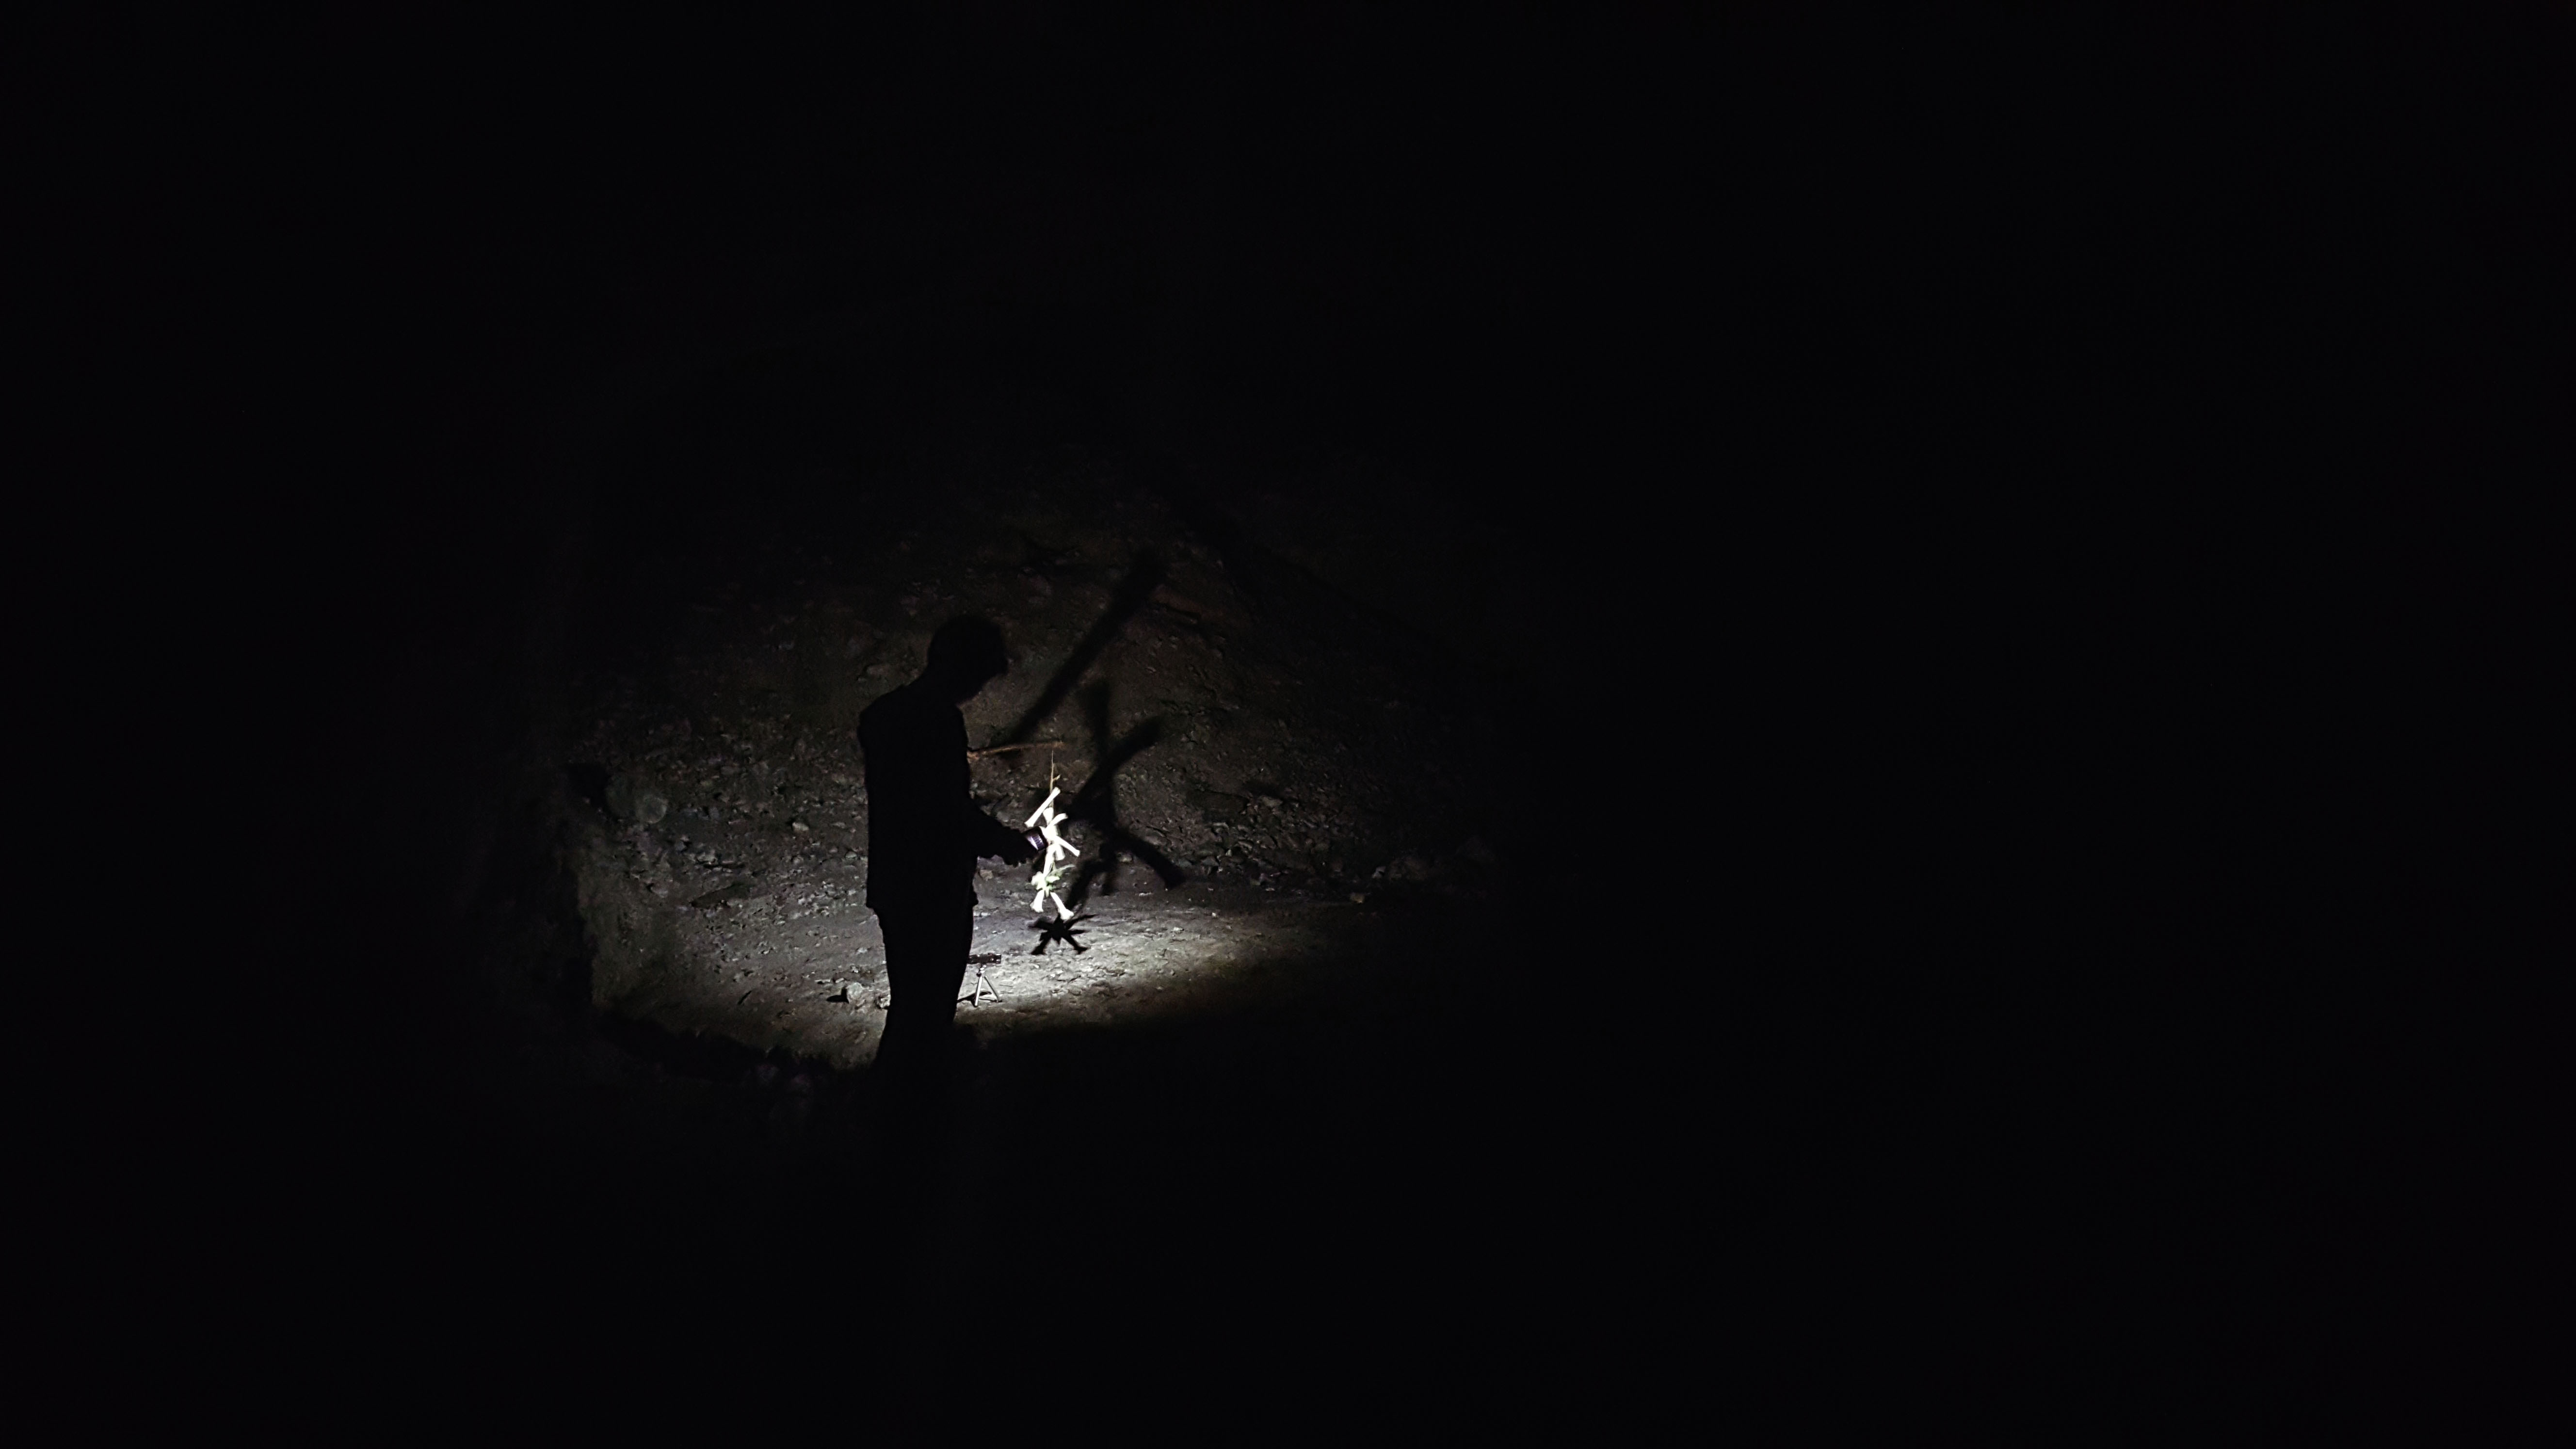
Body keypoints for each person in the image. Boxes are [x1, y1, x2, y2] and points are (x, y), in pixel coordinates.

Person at [859, 617, 1040, 1108]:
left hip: (896, 883)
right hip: (933, 889)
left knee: (912, 1007)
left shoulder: (882, 715)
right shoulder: (936, 721)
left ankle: (896, 1106)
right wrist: (1008, 843)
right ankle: (904, 1113)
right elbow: (945, 812)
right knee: (927, 1011)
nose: (978, 690)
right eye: (979, 676)